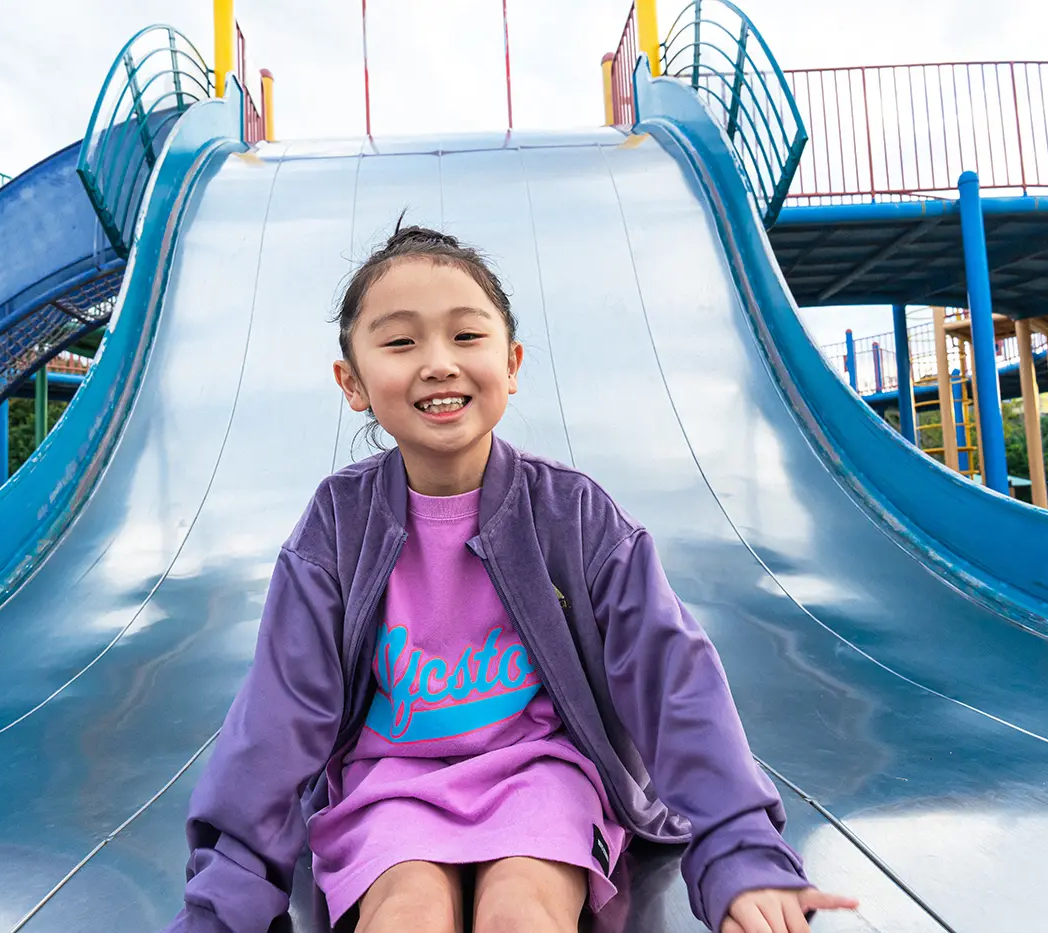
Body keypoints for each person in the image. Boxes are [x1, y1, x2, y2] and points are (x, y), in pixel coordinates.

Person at [163, 222, 858, 933]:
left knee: (521, 912)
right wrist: (229, 897)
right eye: (400, 343)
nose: (439, 363)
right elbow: (278, 714)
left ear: (512, 362)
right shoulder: (338, 526)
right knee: (407, 915)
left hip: (541, 774)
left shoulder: (571, 514)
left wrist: (740, 850)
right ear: (353, 383)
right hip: (391, 784)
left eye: (467, 336)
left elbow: (669, 678)